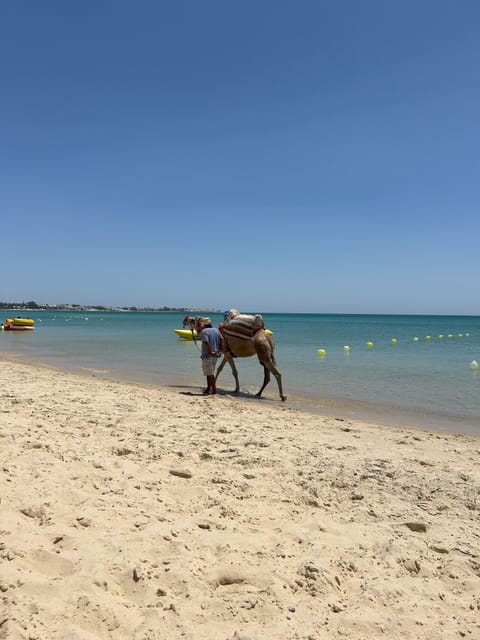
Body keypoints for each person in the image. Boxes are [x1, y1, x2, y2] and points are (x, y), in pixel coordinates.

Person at [197, 317, 223, 395]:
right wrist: (220, 351)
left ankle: (214, 390)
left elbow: (206, 342)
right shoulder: (216, 330)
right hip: (215, 355)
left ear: (204, 324)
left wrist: (210, 351)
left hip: (207, 355)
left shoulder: (204, 331)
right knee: (209, 373)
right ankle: (208, 388)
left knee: (210, 374)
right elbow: (222, 340)